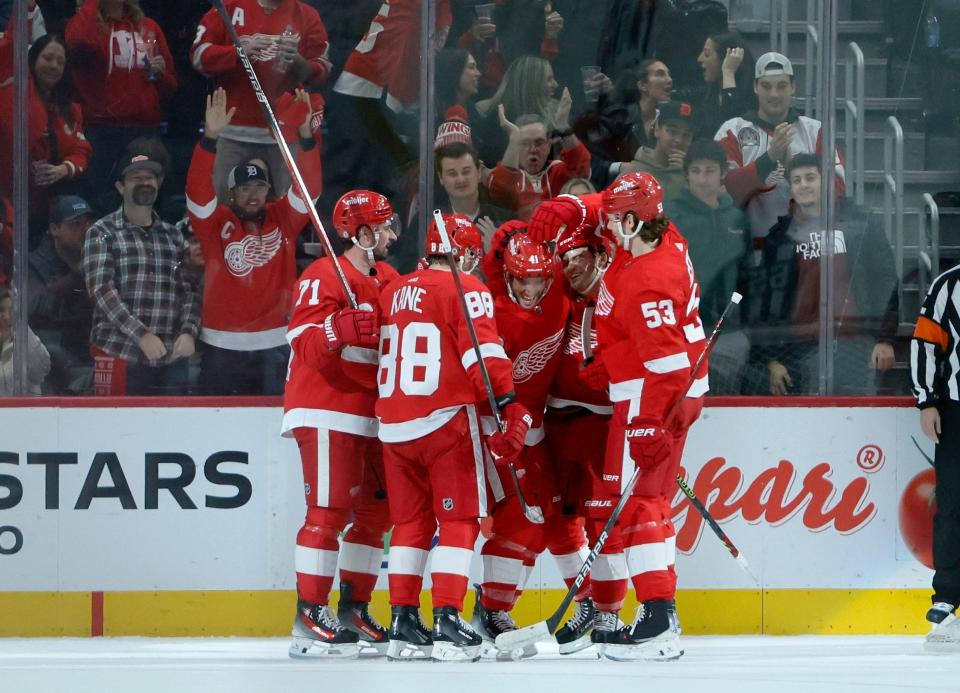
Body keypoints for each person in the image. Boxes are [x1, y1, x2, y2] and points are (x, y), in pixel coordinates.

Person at [376, 213, 529, 662]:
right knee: (460, 521)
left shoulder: (393, 291)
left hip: (392, 423)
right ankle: (446, 618)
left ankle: (402, 622)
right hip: (444, 420)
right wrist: (508, 405)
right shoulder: (468, 289)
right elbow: (484, 359)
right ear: (462, 252)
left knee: (409, 525)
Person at [591, 171, 707, 661]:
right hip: (663, 390)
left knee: (640, 505)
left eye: (618, 219)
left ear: (638, 220)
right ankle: (661, 610)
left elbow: (667, 364)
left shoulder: (647, 282)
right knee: (649, 500)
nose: (610, 226)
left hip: (650, 394)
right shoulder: (663, 237)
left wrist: (649, 422)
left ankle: (657, 613)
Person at [282, 189, 400, 659]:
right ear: (364, 233)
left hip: (373, 412)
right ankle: (310, 612)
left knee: (377, 515)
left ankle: (354, 607)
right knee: (329, 513)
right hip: (327, 405)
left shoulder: (388, 277)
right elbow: (303, 343)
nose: (393, 234)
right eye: (385, 226)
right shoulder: (322, 277)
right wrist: (337, 330)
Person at [471, 224, 595, 657]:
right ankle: (490, 609)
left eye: (538, 279)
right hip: (496, 425)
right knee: (519, 519)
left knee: (560, 514)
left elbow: (582, 263)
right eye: (522, 278)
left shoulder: (559, 284)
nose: (531, 288)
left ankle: (591, 603)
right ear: (507, 275)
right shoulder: (487, 305)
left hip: (538, 423)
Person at [525, 195, 628, 649]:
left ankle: (608, 614)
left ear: (602, 254)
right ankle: (586, 602)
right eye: (563, 258)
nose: (569, 267)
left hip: (603, 428)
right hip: (557, 426)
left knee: (603, 524)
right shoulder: (560, 298)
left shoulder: (621, 293)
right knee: (559, 518)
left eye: (578, 257)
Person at [185, 87, 320, 395]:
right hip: (221, 344)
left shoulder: (282, 217)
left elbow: (309, 192)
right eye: (245, 188)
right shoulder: (214, 223)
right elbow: (197, 193)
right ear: (231, 193)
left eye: (260, 185)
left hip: (275, 343)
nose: (253, 193)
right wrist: (210, 141)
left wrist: (306, 140)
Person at [740, 153, 898, 396]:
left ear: (826, 181)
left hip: (855, 343)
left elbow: (884, 280)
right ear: (790, 188)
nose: (804, 185)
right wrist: (771, 358)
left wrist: (885, 338)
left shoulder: (860, 224)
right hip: (797, 349)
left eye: (810, 178)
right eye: (797, 180)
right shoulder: (780, 238)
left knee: (853, 423)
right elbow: (766, 299)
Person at [82, 152, 199, 395]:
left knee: (173, 432)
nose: (145, 182)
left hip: (170, 358)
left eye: (150, 177)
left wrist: (189, 332)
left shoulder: (174, 236)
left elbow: (189, 290)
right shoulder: (101, 231)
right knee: (113, 430)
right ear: (120, 186)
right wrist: (141, 335)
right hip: (119, 352)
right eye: (136, 177)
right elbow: (101, 290)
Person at [192, 0, 331, 200]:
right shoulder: (228, 7)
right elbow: (198, 56)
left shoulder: (307, 15)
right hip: (231, 132)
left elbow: (323, 70)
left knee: (290, 209)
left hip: (285, 135)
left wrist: (298, 61)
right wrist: (237, 52)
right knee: (221, 205)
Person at [714, 52, 845, 239]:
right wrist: (769, 159)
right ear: (755, 87)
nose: (774, 94)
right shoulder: (732, 130)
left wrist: (791, 166)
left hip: (805, 246)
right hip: (748, 249)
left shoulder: (816, 131)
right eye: (766, 86)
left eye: (781, 86)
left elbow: (837, 189)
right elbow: (724, 191)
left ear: (793, 87)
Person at [65, 0, 177, 211]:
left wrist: (160, 74)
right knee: (99, 201)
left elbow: (171, 86)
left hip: (143, 130)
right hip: (99, 128)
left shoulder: (149, 27)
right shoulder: (87, 24)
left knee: (147, 198)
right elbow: (76, 44)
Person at [665, 139, 750, 394]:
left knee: (726, 402)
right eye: (696, 171)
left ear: (723, 173)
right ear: (686, 174)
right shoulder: (670, 216)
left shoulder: (737, 218)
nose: (703, 179)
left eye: (710, 170)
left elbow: (746, 275)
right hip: (681, 330)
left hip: (728, 332)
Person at [0, 33, 91, 246]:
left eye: (60, 62)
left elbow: (81, 151)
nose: (54, 65)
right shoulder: (13, 97)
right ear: (33, 59)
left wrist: (63, 169)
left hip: (48, 204)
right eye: (48, 58)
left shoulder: (71, 110)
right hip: (9, 197)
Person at [912, 261, 960, 651]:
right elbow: (926, 342)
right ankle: (946, 600)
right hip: (957, 412)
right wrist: (927, 400)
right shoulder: (949, 284)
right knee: (954, 504)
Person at [27, 195, 96, 394]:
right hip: (51, 354)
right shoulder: (32, 263)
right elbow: (32, 309)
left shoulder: (99, 260)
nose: (85, 230)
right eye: (76, 224)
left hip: (89, 348)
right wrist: (74, 278)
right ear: (54, 229)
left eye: (88, 223)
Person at [575, 58, 672, 189]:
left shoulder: (670, 123)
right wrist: (619, 167)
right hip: (617, 191)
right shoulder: (619, 118)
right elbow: (587, 159)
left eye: (669, 75)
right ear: (642, 85)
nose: (669, 80)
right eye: (660, 74)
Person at [487, 102, 591, 220]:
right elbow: (499, 191)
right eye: (525, 143)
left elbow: (581, 169)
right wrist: (514, 136)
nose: (533, 150)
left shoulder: (558, 171)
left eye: (539, 142)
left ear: (548, 145)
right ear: (515, 146)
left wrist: (564, 128)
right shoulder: (505, 175)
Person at [475, 55, 563, 167]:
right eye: (549, 79)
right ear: (531, 84)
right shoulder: (495, 125)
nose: (555, 84)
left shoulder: (556, 116)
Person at [620, 100, 696, 203]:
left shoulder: (696, 175)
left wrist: (684, 174)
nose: (679, 140)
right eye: (672, 131)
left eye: (686, 135)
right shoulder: (634, 173)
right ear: (657, 129)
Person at [696, 31, 754, 138]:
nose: (700, 59)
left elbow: (732, 126)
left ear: (725, 58)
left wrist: (728, 72)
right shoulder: (707, 96)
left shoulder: (752, 98)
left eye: (707, 54)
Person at [0, 285, 51, 395]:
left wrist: (22, 326)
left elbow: (40, 372)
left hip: (29, 412)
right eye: (1, 310)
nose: (6, 317)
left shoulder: (27, 341)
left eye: (12, 310)